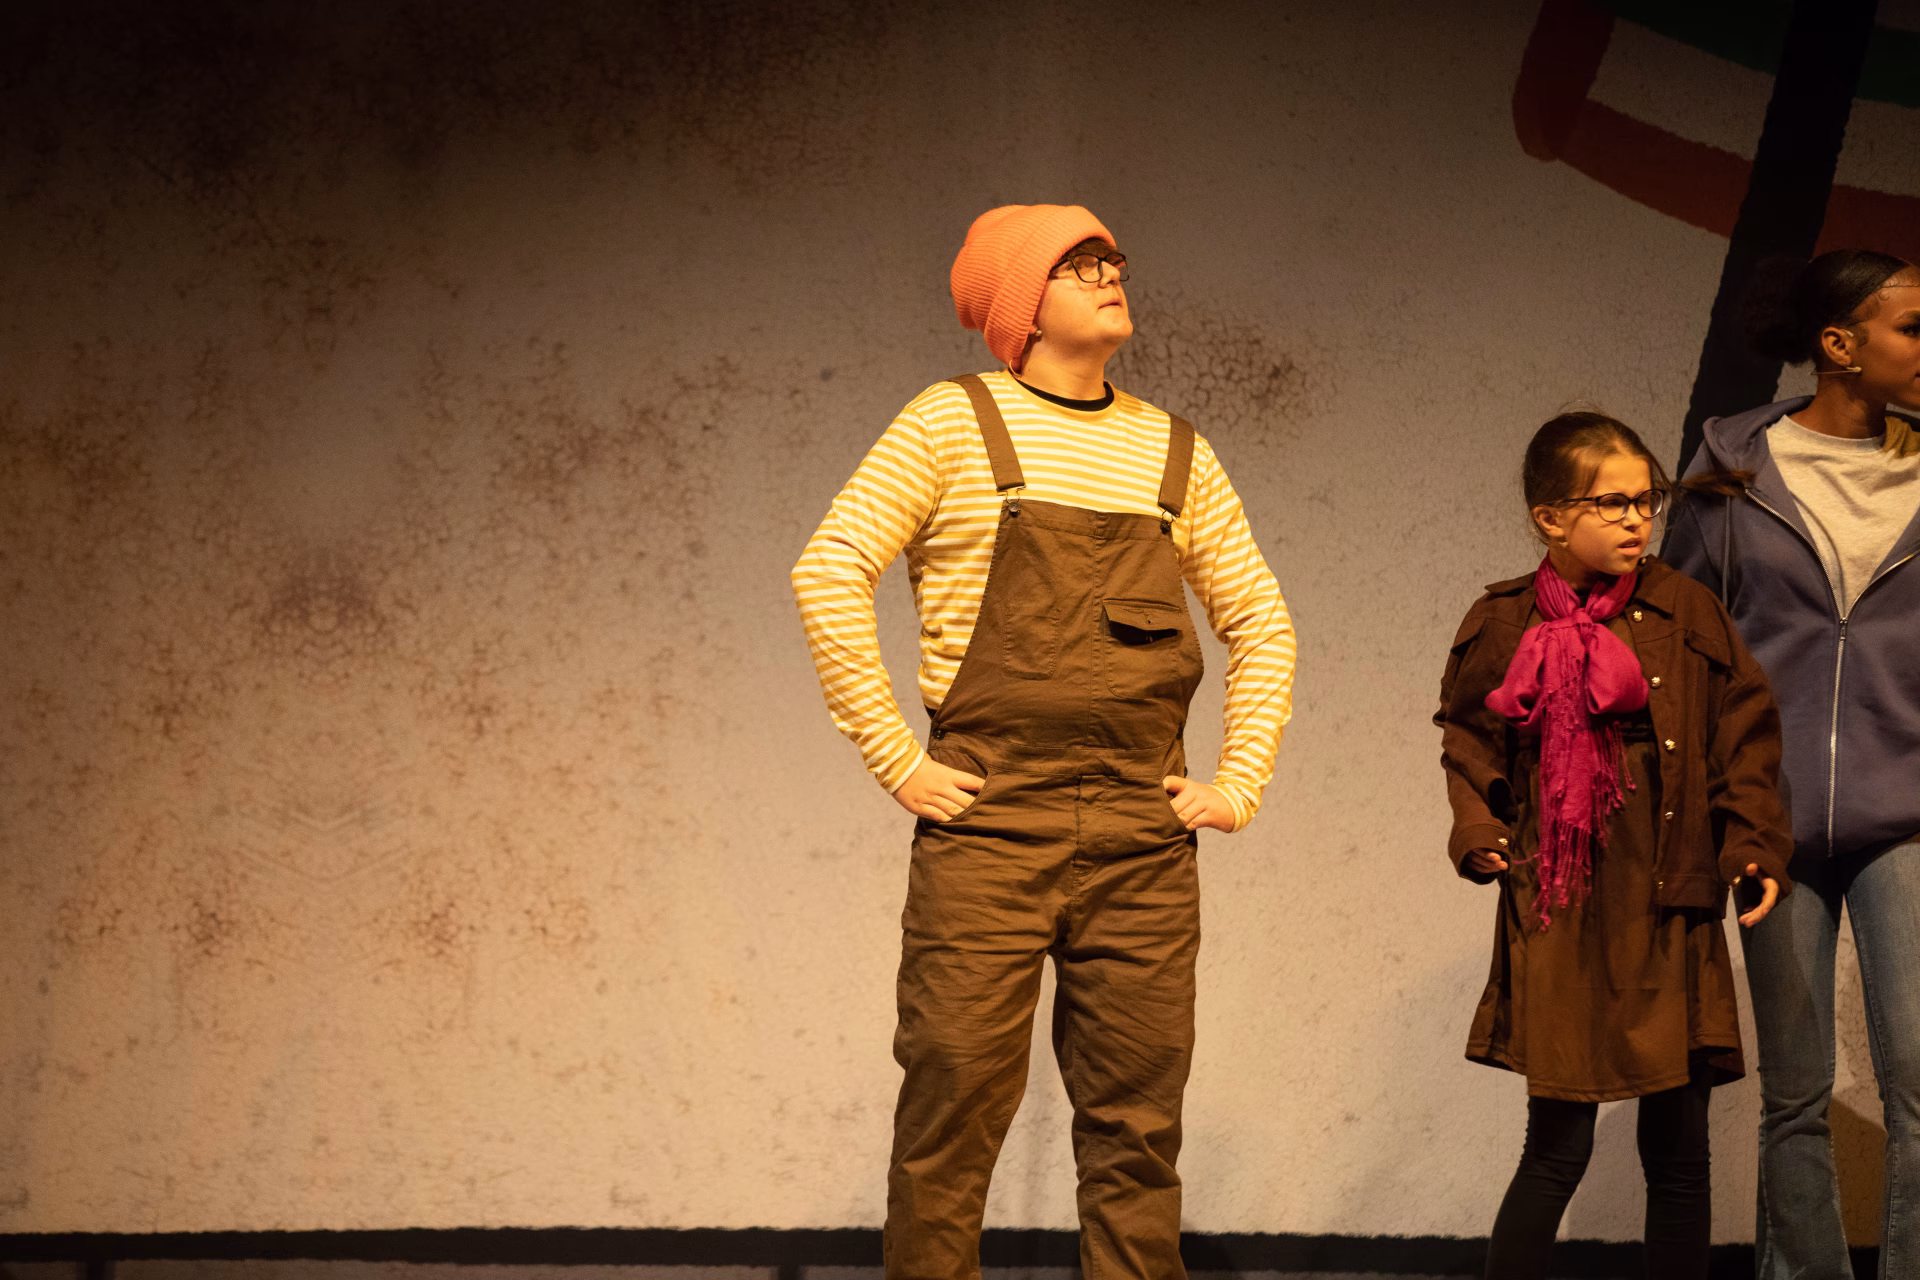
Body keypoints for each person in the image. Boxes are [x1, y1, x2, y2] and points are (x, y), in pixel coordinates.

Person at [791, 203, 1295, 1280]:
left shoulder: (1175, 451)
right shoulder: (949, 423)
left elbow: (1262, 620)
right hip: (992, 824)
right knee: (952, 1104)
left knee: (1138, 1125)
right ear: (1022, 306)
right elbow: (828, 569)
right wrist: (896, 757)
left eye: (1111, 256)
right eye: (1078, 264)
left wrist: (1238, 781)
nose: (1110, 273)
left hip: (1139, 836)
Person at [1436, 412, 1792, 1280]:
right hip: (1561, 906)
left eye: (1646, 500)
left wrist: (1752, 845)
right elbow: (1469, 737)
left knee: (1679, 1153)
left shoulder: (1683, 608)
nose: (1638, 520)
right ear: (1551, 518)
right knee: (1556, 1148)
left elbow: (1743, 732)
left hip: (1667, 895)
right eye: (1613, 503)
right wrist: (1479, 827)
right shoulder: (1504, 620)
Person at [1663, 249, 1920, 1280]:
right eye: (1913, 327)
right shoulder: (1732, 476)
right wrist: (1707, 800)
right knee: (1796, 1090)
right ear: (1839, 344)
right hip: (1767, 813)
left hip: (1906, 806)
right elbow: (1680, 638)